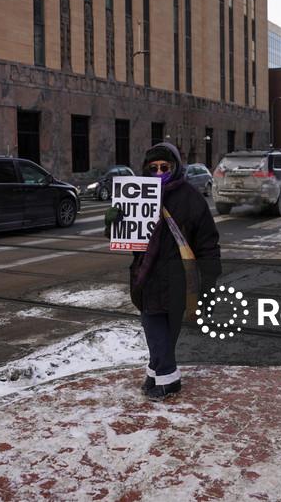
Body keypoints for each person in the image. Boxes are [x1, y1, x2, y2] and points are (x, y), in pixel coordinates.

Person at [105, 143, 221, 401]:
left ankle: (163, 376)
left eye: (165, 167)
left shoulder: (191, 198)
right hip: (147, 275)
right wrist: (113, 221)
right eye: (153, 167)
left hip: (180, 277)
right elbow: (127, 236)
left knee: (166, 330)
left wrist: (210, 279)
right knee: (155, 326)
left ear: (176, 167)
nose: (159, 172)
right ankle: (164, 375)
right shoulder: (136, 193)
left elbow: (207, 242)